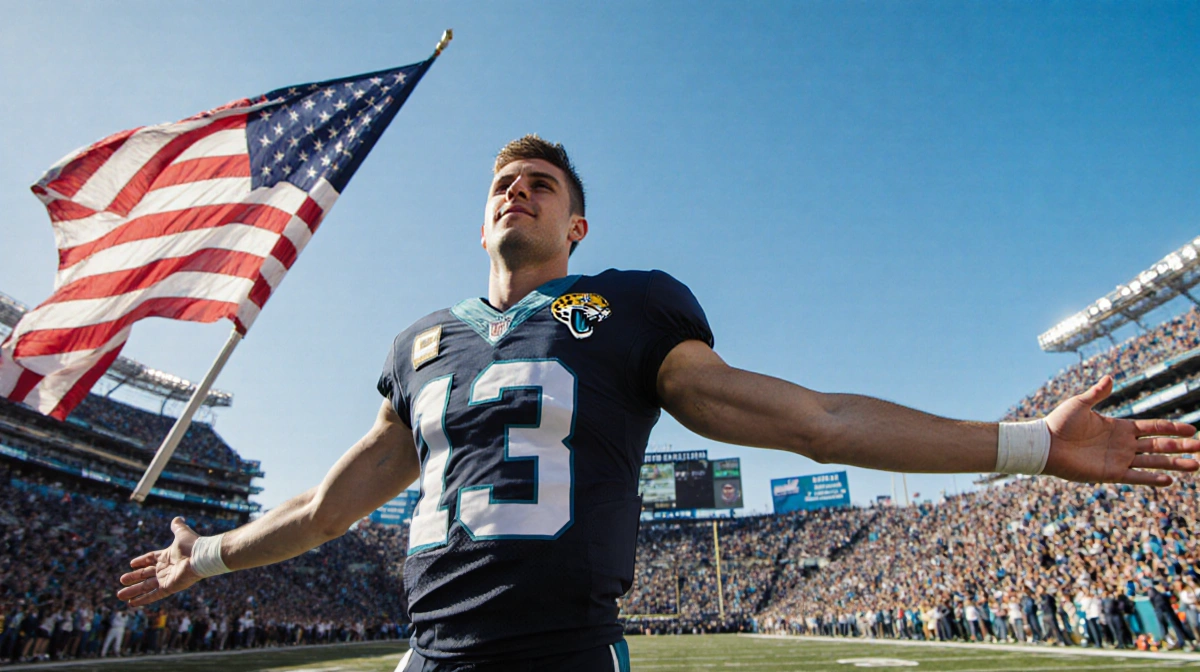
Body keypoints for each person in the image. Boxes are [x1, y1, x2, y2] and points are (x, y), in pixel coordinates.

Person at [117, 135, 1200, 670]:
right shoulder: (420, 345)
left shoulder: (625, 308)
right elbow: (323, 510)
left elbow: (808, 420)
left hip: (566, 656)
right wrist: (205, 557)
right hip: (430, 658)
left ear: (578, 227)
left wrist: (1023, 444)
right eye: (503, 180)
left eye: (543, 183)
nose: (518, 188)